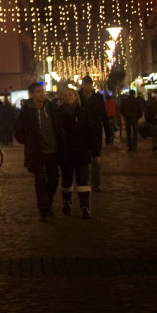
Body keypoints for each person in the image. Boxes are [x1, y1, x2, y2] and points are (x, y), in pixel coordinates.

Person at [15, 81, 65, 222]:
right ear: (32, 94)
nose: (41, 94)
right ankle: (43, 210)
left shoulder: (51, 108)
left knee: (54, 179)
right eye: (38, 91)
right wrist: (28, 141)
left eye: (42, 91)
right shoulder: (26, 111)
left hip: (52, 150)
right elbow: (18, 131)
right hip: (37, 152)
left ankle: (47, 202)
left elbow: (59, 126)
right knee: (40, 181)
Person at [55, 88, 99, 219]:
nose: (67, 97)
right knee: (67, 180)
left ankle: (85, 207)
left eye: (70, 94)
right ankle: (66, 202)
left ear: (76, 97)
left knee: (83, 180)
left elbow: (91, 133)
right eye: (65, 95)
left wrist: (96, 152)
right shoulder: (58, 114)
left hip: (81, 152)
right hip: (65, 153)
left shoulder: (83, 113)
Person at [78, 76, 107, 192]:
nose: (87, 86)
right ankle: (85, 180)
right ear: (82, 85)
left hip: (95, 130)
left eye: (89, 84)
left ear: (92, 85)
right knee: (84, 157)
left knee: (96, 157)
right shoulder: (77, 96)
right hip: (82, 131)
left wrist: (108, 131)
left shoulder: (98, 97)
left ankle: (96, 182)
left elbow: (103, 114)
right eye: (85, 84)